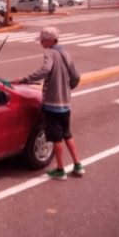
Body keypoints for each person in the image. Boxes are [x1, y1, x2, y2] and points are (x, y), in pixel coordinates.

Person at [13, 26, 85, 180]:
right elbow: (76, 77)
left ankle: (60, 170)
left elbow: (45, 70)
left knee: (56, 137)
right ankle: (78, 165)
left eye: (43, 40)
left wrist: (25, 80)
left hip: (52, 104)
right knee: (67, 134)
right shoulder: (66, 53)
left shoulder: (50, 52)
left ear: (51, 40)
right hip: (65, 104)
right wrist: (67, 88)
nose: (41, 43)